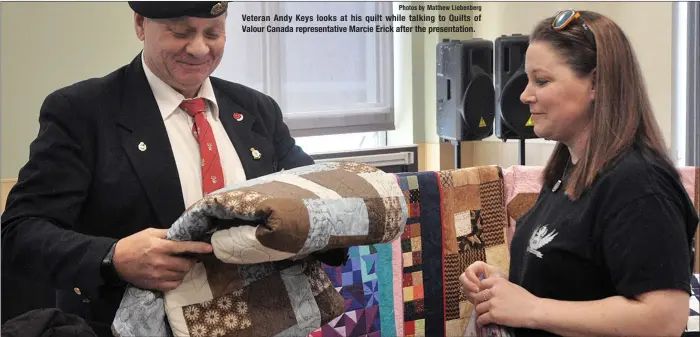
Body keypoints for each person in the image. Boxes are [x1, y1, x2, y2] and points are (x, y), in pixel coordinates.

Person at [0, 2, 347, 335]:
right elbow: (21, 231)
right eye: (181, 32)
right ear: (140, 25)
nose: (199, 49)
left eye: (213, 33)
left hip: (263, 320)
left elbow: (317, 205)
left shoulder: (257, 109)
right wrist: (113, 257)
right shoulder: (82, 112)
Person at [459, 9, 699, 337]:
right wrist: (505, 289)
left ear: (596, 84)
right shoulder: (567, 171)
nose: (524, 95)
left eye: (541, 80)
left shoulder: (640, 185)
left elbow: (663, 319)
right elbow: (575, 283)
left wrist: (531, 309)